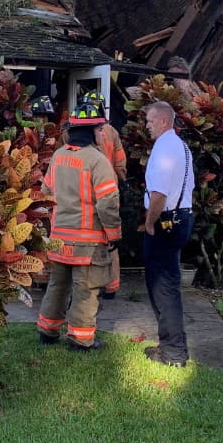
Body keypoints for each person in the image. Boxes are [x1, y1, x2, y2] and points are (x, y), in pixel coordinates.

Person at [35, 100, 122, 351]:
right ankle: (81, 340)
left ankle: (47, 331)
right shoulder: (97, 161)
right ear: (93, 131)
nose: (101, 133)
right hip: (88, 243)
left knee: (57, 286)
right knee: (86, 289)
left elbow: (45, 193)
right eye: (99, 129)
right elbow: (107, 204)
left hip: (59, 238)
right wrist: (114, 234)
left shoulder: (58, 157)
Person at [141, 99, 195, 367]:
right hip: (182, 218)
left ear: (163, 121)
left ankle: (173, 353)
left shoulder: (164, 148)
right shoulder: (181, 147)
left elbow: (159, 194)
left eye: (150, 121)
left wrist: (150, 223)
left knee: (163, 287)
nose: (147, 126)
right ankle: (171, 347)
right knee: (167, 283)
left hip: (165, 221)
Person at [82, 90, 127, 300]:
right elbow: (120, 163)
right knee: (111, 238)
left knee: (91, 238)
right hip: (110, 191)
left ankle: (94, 284)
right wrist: (121, 182)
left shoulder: (82, 131)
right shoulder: (112, 132)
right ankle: (112, 285)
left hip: (89, 191)